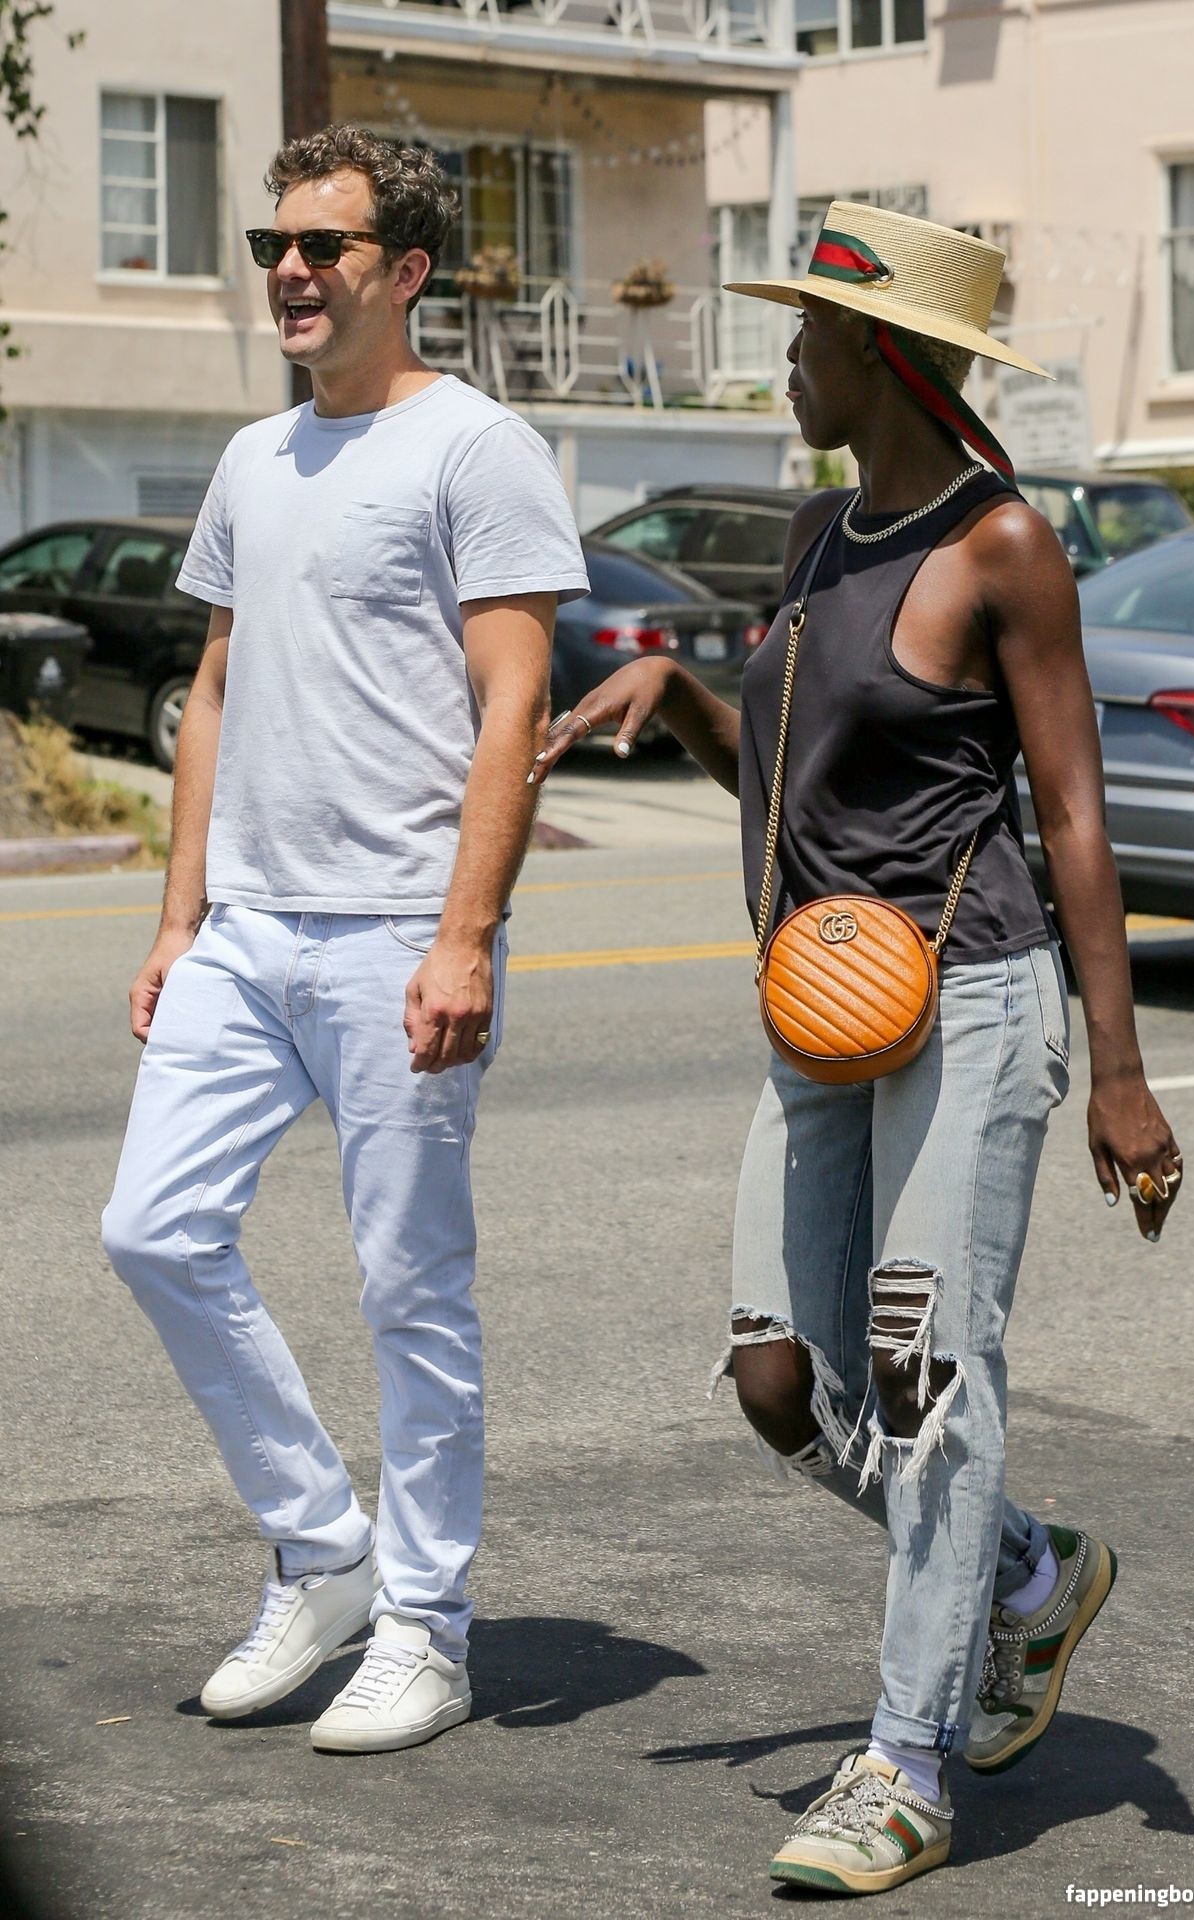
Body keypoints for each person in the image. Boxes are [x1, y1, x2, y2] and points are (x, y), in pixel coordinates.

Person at [530, 203, 1183, 1894]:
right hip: (824, 1008)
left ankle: (907, 1766)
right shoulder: (821, 533)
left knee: (925, 1381)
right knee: (783, 1383)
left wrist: (1120, 1072)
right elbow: (798, 779)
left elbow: (1074, 815)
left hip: (972, 1003)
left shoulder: (1002, 546)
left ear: (887, 354)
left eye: (811, 334)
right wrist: (683, 700)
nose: (788, 362)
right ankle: (1029, 1579)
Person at [101, 125, 588, 1754]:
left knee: (410, 1291)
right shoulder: (255, 459)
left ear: (408, 270)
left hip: (397, 931)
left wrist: (467, 938)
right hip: (246, 931)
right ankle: (323, 1551)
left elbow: (514, 704)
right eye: (275, 248)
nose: (292, 272)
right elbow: (214, 688)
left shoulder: (478, 449)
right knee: (154, 1230)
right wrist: (178, 919)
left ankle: (428, 1631)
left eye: (324, 247)